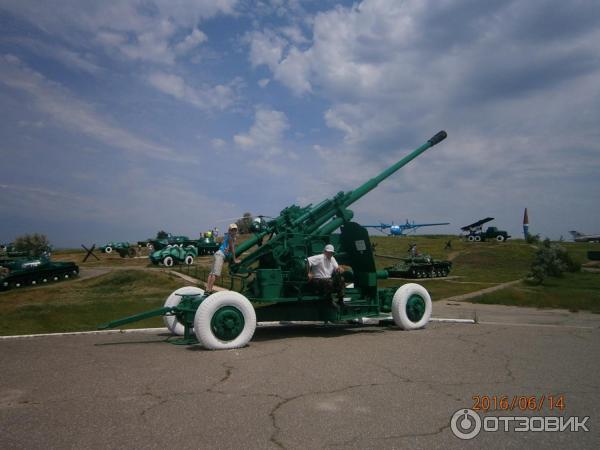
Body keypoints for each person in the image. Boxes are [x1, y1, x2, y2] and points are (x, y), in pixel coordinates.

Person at [206, 224, 240, 293]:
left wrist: (228, 248)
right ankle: (209, 290)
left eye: (235, 230)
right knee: (215, 274)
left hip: (217, 253)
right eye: (232, 230)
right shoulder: (230, 238)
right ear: (229, 231)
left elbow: (226, 245)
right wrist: (234, 260)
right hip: (220, 255)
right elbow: (232, 249)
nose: (234, 231)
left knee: (212, 273)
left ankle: (207, 289)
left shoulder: (227, 236)